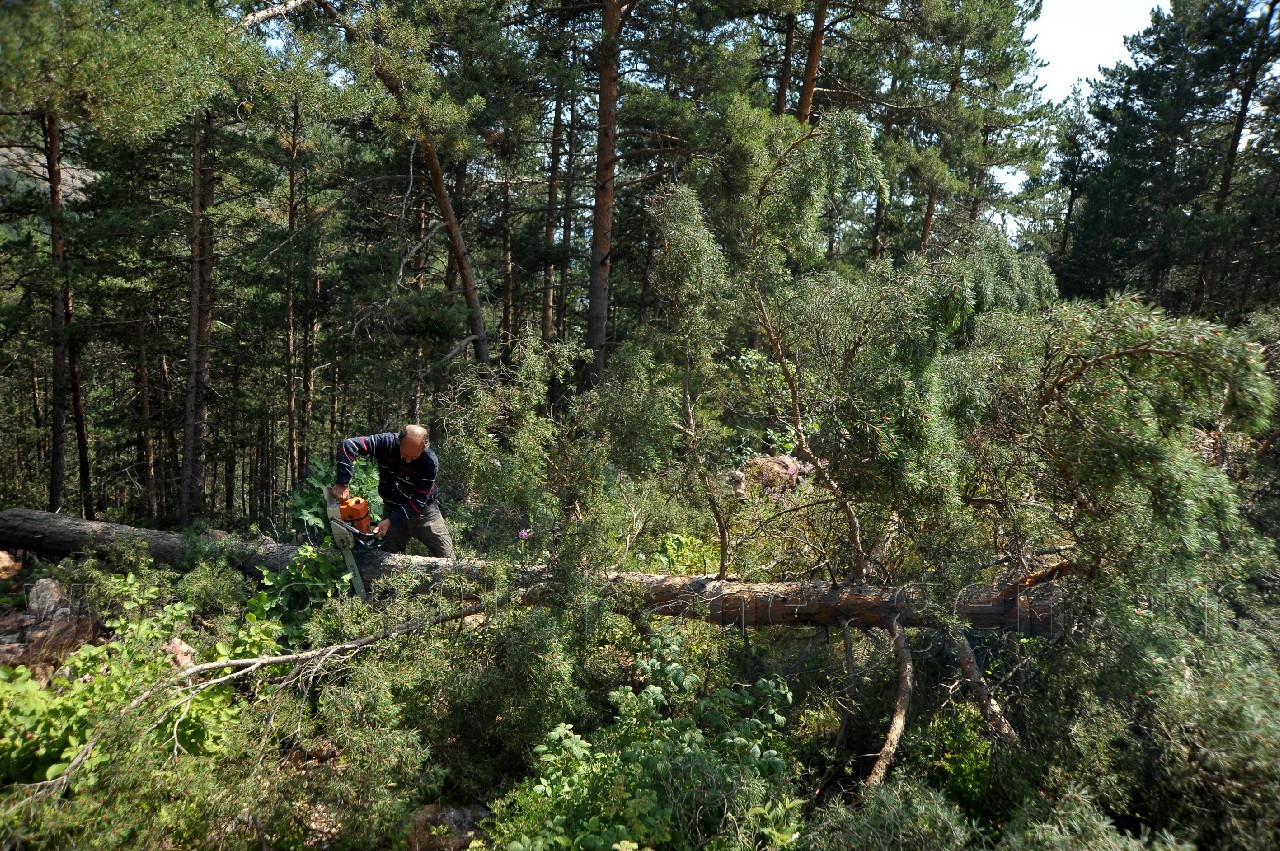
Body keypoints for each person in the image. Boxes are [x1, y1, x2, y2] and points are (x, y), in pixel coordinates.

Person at [331, 424, 454, 557]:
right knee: (389, 560)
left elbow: (419, 500)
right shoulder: (386, 443)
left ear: (424, 448)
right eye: (405, 455)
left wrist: (390, 521)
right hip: (392, 508)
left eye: (413, 458)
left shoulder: (430, 461)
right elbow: (348, 445)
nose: (407, 461)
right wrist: (342, 483)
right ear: (399, 441)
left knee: (448, 558)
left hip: (425, 514)